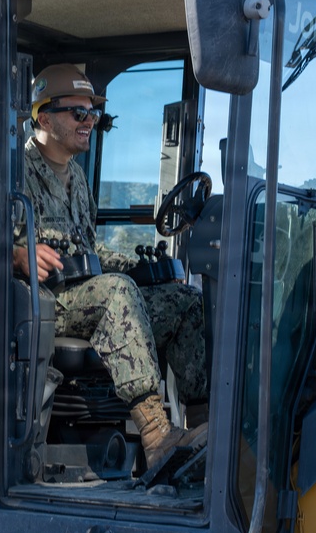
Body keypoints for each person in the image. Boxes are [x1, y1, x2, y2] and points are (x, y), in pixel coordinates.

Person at [13, 63, 208, 470]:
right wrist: (14, 254)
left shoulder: (78, 179)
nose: (89, 122)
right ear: (43, 116)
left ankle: (204, 429)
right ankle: (157, 435)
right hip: (43, 302)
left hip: (85, 292)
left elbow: (88, 249)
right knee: (116, 291)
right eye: (78, 113)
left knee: (185, 299)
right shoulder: (12, 172)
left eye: (94, 114)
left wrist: (145, 264)